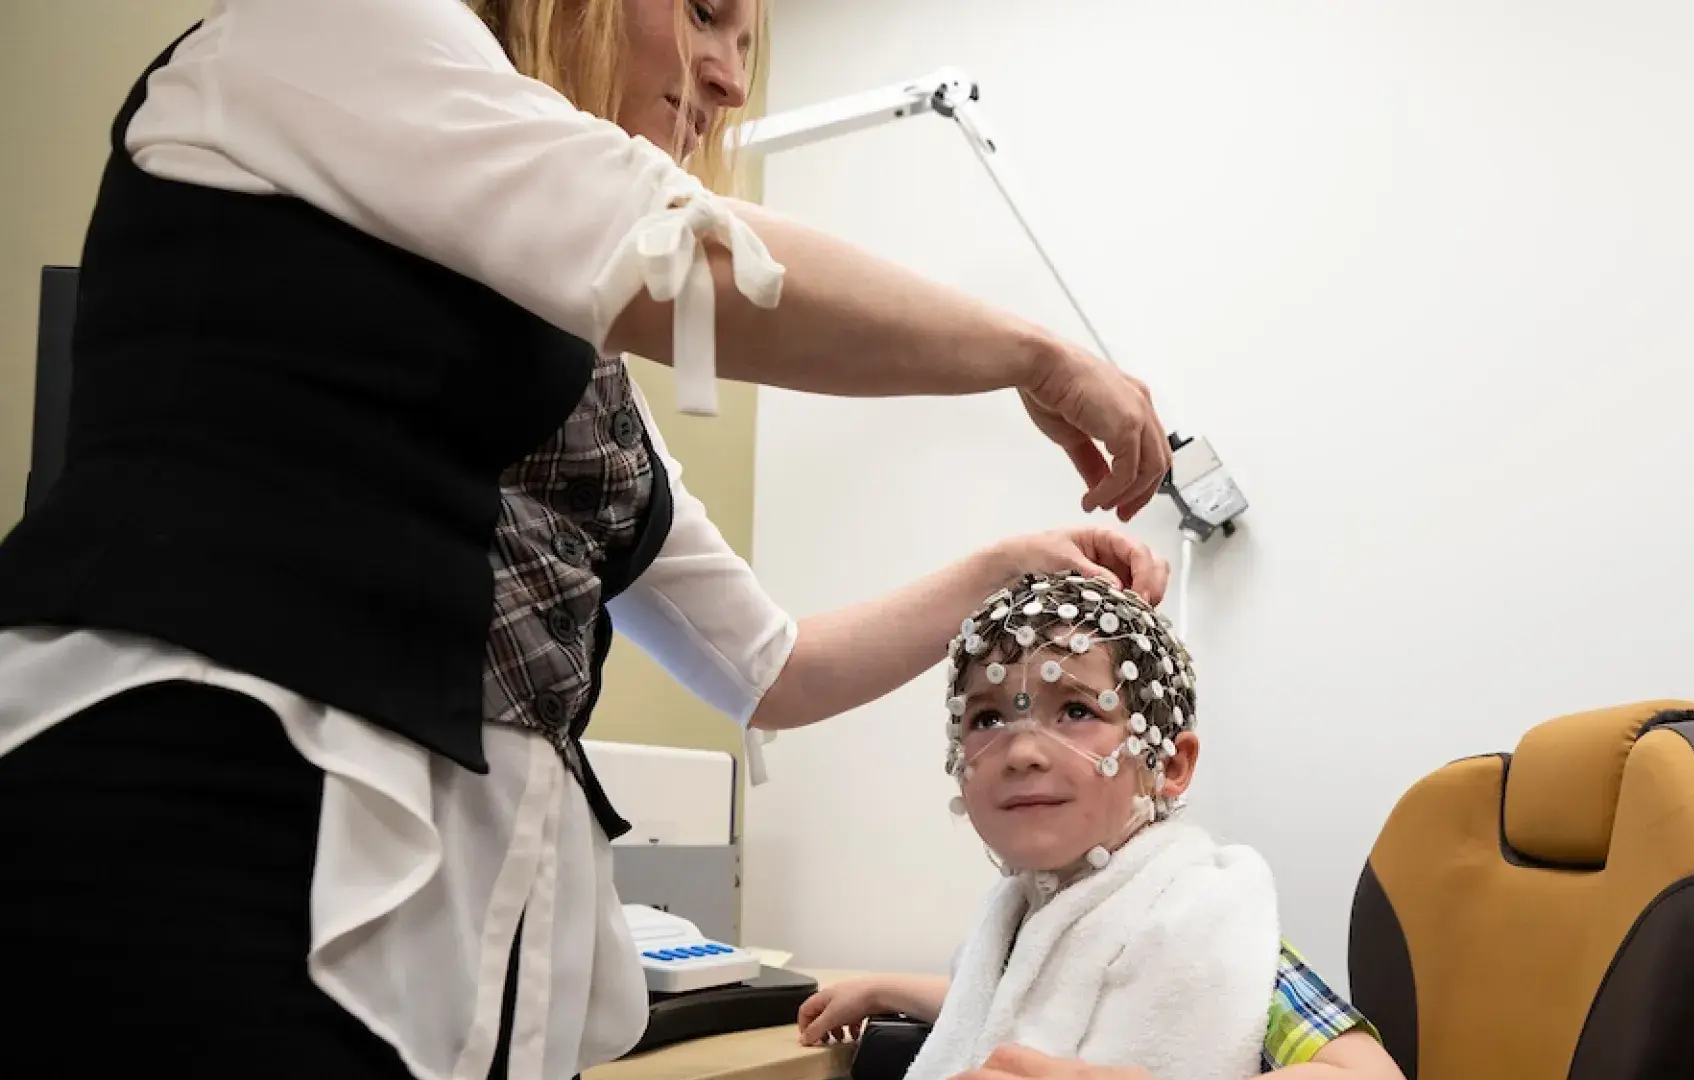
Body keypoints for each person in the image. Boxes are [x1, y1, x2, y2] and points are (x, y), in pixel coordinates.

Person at [0, 1, 1174, 1077]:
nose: (726, 78)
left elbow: (769, 667)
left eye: (749, 50)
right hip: (210, 817)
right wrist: (1039, 352)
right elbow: (690, 254)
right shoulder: (342, 32)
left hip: (461, 932)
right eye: (706, 14)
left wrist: (1001, 569)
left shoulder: (584, 385)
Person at [796, 572, 1405, 1079]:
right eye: (986, 718)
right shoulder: (1021, 915)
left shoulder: (1202, 924)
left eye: (1077, 710)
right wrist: (885, 990)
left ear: (1168, 764)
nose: (1021, 753)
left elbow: (1369, 1075)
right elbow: (1013, 1002)